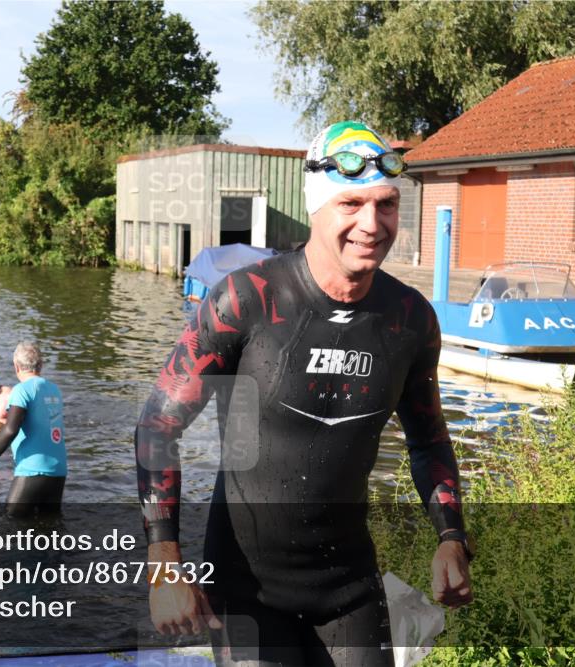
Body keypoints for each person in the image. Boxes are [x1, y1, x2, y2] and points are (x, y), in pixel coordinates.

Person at [134, 121, 473, 666]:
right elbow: (158, 427)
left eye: (386, 205)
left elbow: (429, 440)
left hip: (348, 587)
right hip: (247, 590)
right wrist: (165, 563)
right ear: (316, 207)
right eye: (352, 204)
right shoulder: (246, 300)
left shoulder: (410, 319)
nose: (371, 224)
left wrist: (451, 536)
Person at [0, 342, 66, 517]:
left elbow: (11, 428)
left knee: (12, 524)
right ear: (40, 365)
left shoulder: (21, 391)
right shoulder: (55, 390)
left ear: (16, 366)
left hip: (32, 470)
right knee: (49, 528)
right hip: (58, 471)